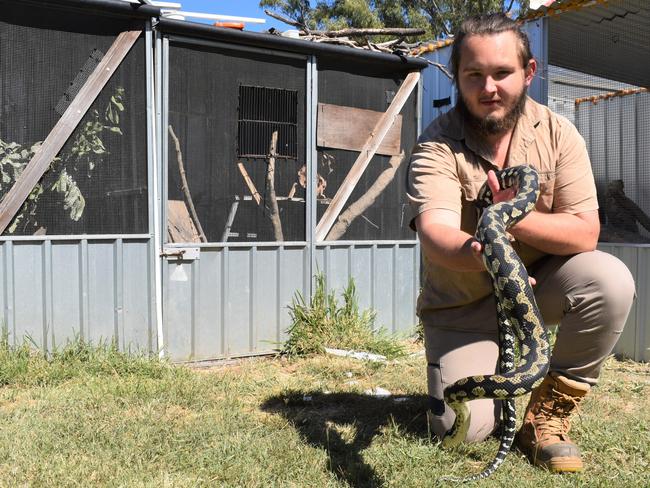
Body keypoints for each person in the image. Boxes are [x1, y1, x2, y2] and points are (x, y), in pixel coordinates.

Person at [407, 13, 635, 473]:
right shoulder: (437, 143)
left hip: (537, 288)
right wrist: (490, 257)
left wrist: (510, 219)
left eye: (501, 73)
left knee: (608, 279)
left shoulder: (559, 134)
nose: (488, 87)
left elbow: (584, 232)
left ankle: (545, 417)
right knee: (461, 425)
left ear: (528, 73)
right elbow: (436, 234)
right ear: (458, 77)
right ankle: (480, 375)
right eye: (474, 74)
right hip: (463, 306)